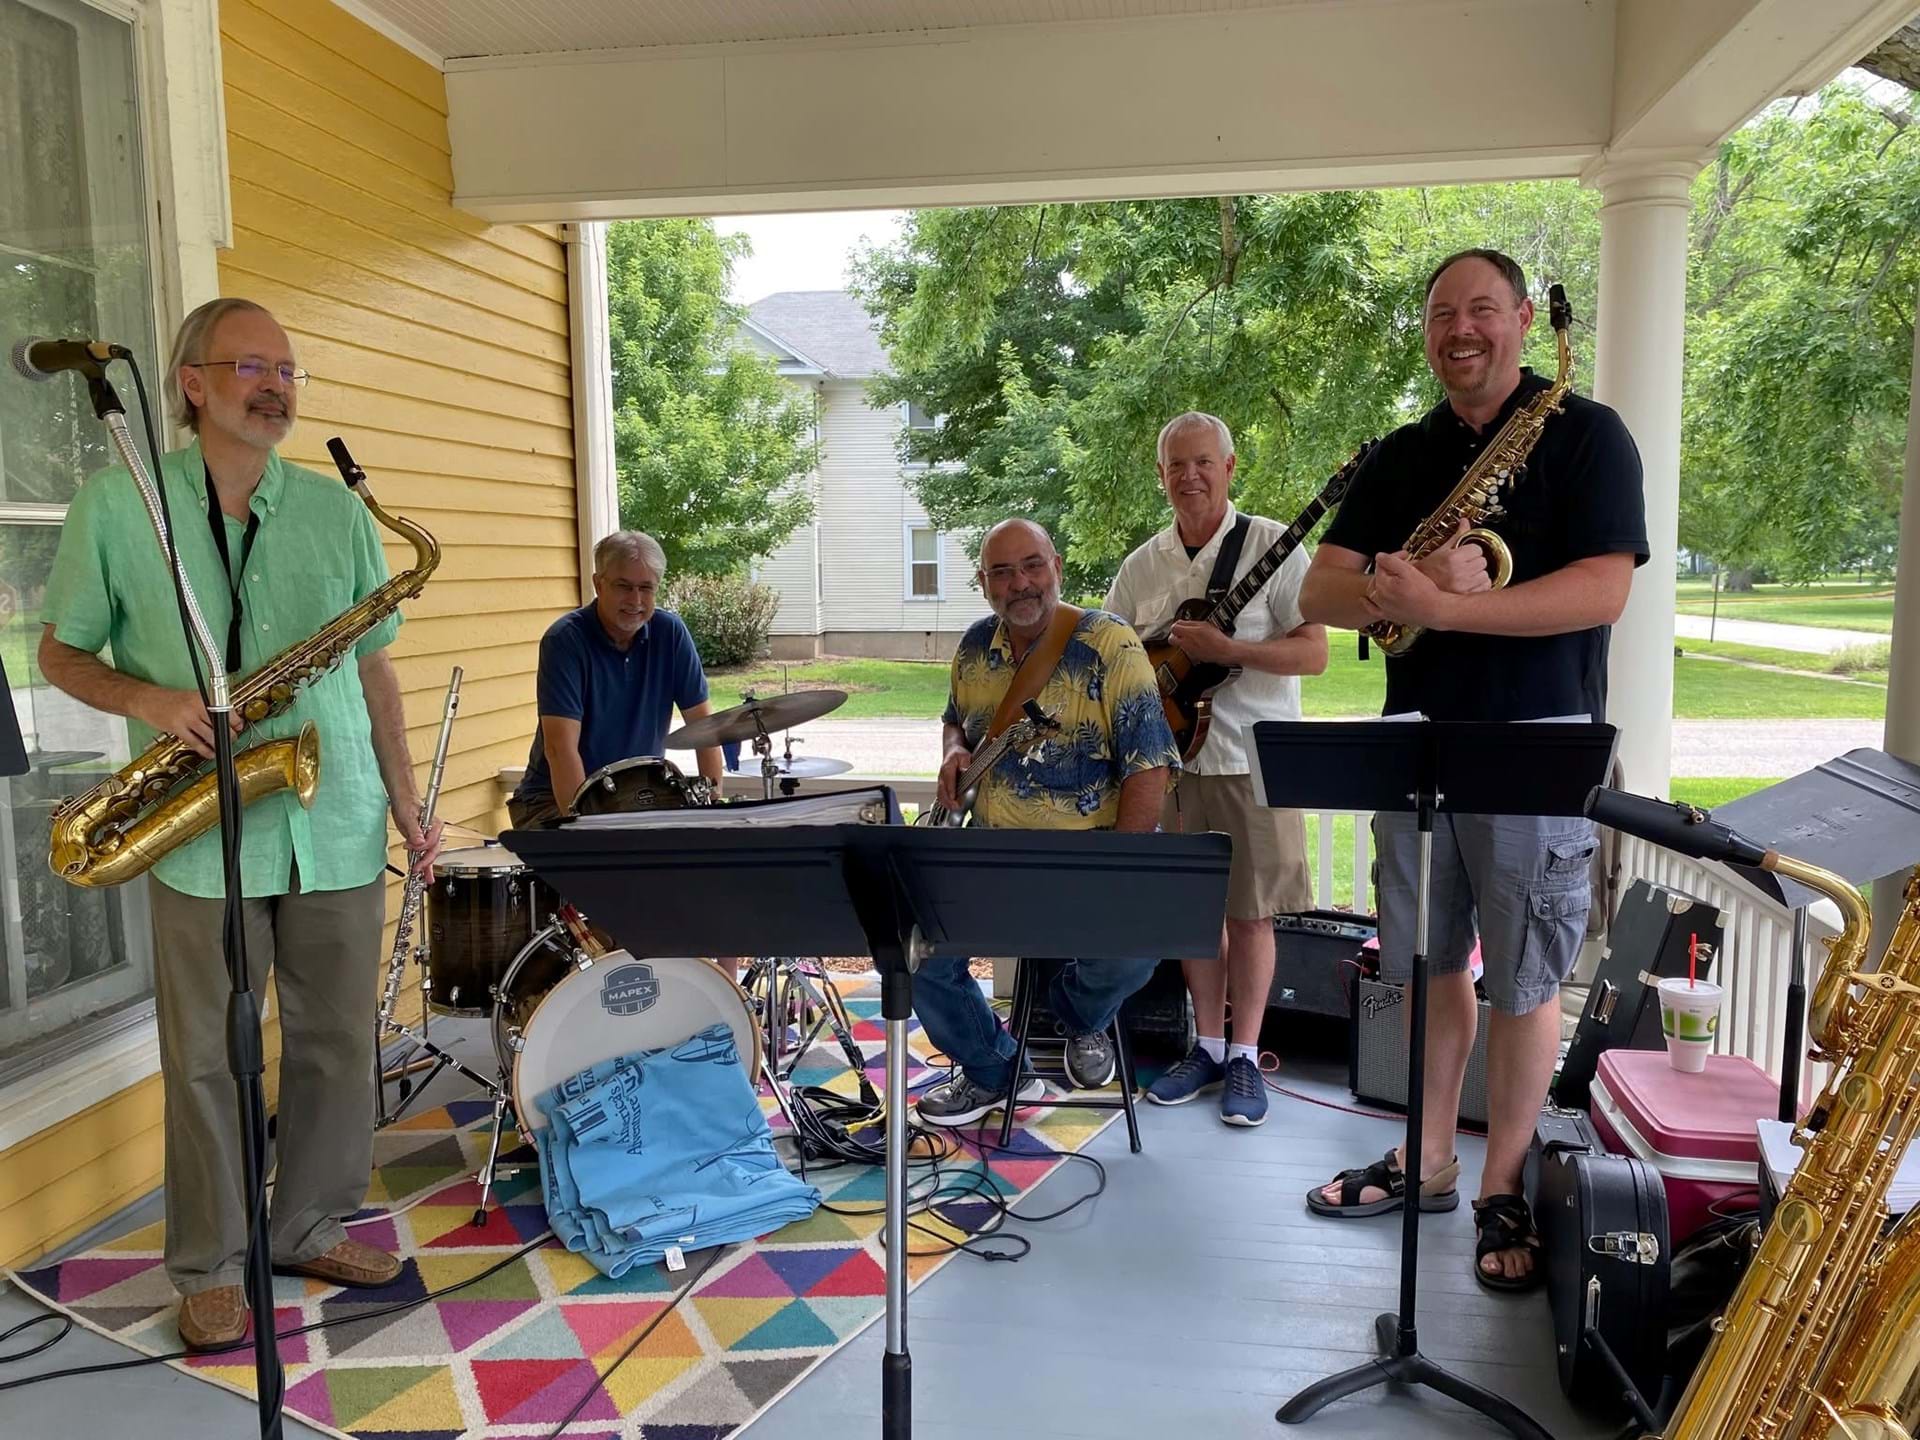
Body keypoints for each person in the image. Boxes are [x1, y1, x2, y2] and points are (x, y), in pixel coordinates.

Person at [37, 297, 443, 1349]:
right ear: (192, 383)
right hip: (199, 819)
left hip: (338, 808)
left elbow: (374, 667)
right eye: (254, 365)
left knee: (333, 1041)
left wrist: (406, 803)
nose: (278, 387)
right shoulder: (120, 507)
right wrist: (153, 702)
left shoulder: (336, 513)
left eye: (291, 370)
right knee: (209, 1052)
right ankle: (211, 1265)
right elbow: (60, 653)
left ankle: (309, 1222)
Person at [1300, 249, 1647, 1290]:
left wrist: (1452, 606)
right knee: (1423, 962)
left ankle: (1504, 1179)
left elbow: (1600, 591)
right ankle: (1429, 1153)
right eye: (1442, 311)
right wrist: (1394, 595)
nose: (1462, 328)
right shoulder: (1404, 454)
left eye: (1483, 309)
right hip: (1415, 738)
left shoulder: (1587, 433)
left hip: (1534, 739)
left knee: (1526, 974)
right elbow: (1320, 591)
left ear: (1521, 323)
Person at [912, 519, 1181, 1127]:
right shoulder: (976, 647)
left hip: (1090, 852)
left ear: (1056, 566)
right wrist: (954, 750)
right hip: (991, 853)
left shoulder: (1110, 643)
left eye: (1032, 565)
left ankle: (1077, 1016)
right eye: (1002, 572)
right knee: (916, 951)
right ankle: (997, 1070)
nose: (1020, 583)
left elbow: (1149, 765)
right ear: (984, 583)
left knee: (1135, 952)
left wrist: (1124, 872)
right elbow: (957, 719)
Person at [1106, 412, 1326, 1127]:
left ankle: (1244, 1056)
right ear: (1161, 475)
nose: (1189, 476)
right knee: (1198, 917)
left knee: (1253, 915)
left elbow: (1314, 653)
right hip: (1169, 766)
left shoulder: (1275, 548)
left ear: (1230, 467)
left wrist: (1231, 651)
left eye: (1203, 462)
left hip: (1253, 760)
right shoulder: (1143, 565)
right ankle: (1204, 1046)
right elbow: (1107, 661)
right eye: (1176, 465)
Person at [507, 530, 722, 826]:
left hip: (636, 799)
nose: (635, 600)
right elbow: (559, 749)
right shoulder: (565, 640)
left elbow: (705, 730)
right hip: (551, 801)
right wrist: (588, 832)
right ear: (598, 584)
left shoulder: (670, 633)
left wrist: (712, 810)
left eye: (646, 588)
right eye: (624, 586)